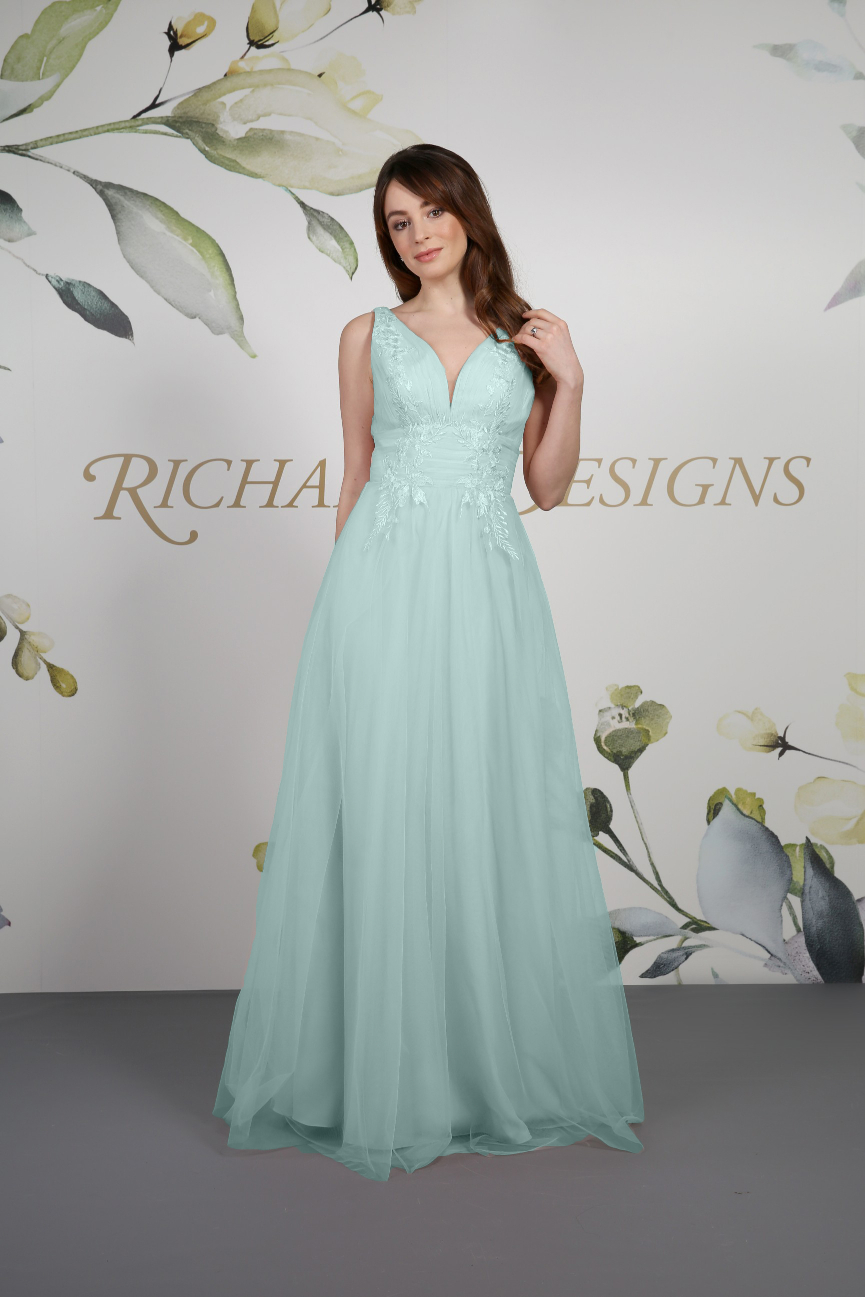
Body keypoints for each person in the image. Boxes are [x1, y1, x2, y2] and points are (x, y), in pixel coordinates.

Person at [212, 143, 645, 1182]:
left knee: (481, 803)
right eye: (397, 222)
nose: (415, 234)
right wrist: (339, 614)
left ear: (466, 213)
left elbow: (547, 487)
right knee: (385, 802)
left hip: (489, 594)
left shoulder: (523, 336)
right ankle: (375, 1072)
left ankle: (479, 1066)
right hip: (381, 588)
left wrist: (572, 381)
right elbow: (355, 473)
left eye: (430, 212)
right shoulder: (367, 334)